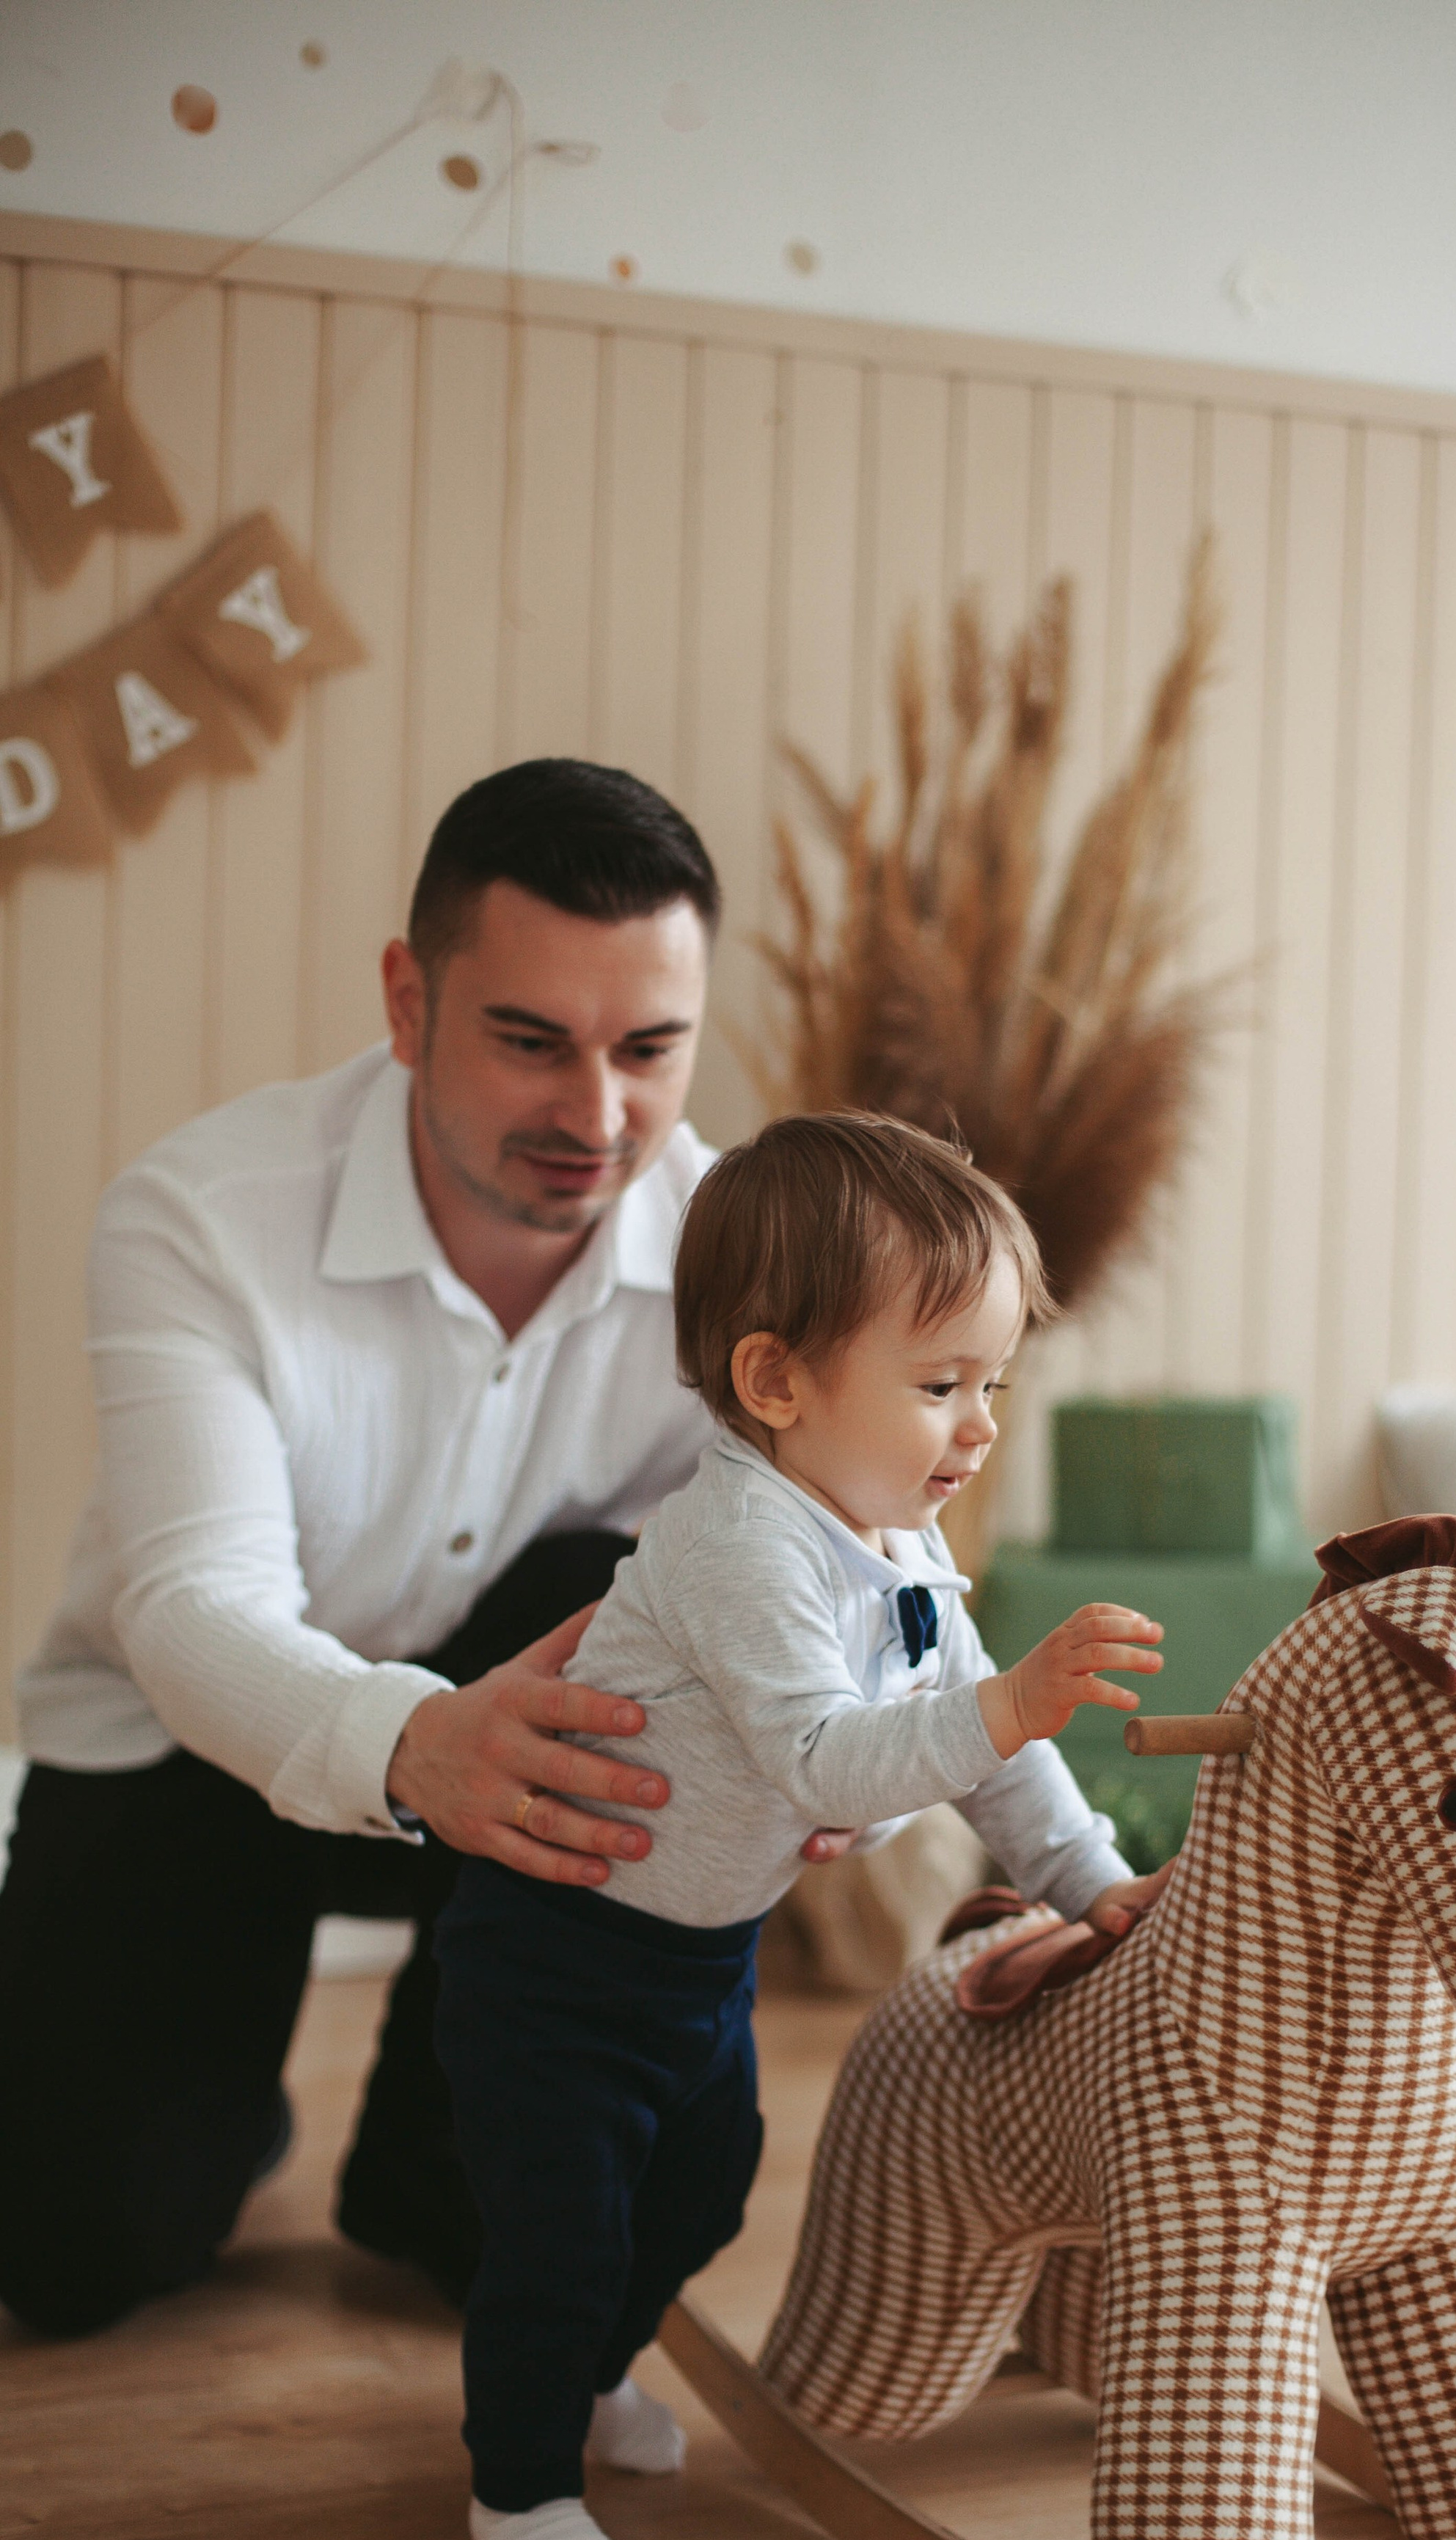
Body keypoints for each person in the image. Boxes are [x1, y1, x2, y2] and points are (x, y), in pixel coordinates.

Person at [0, 759, 859, 2338]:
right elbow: (188, 1604)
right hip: (183, 1755)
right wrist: (412, 1742)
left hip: (533, 1766)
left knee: (624, 1579)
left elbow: (859, 1571)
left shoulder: (753, 1252)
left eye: (648, 1049)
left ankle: (433, 2168)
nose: (595, 1118)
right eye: (530, 1041)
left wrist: (875, 1774)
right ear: (409, 1002)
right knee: (70, 2256)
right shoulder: (196, 1217)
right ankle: (218, 2105)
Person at [433, 1111, 1168, 2540]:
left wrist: (1090, 1885)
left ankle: (593, 2377)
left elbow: (994, 1758)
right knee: (564, 2226)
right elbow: (827, 1763)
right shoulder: (736, 1547)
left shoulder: (896, 1544)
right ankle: (516, 2481)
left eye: (992, 1386)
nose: (977, 1428)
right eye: (938, 1385)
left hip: (700, 1956)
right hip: (557, 1955)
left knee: (697, 2198)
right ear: (775, 1380)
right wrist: (1000, 1699)